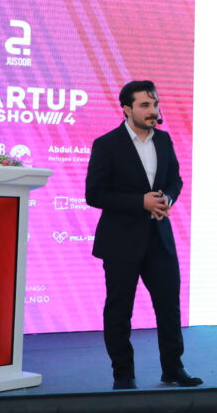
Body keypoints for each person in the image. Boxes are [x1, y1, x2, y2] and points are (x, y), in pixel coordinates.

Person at [85, 80, 202, 390]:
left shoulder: (164, 140)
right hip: (120, 241)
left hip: (159, 238)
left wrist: (168, 199)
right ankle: (123, 374)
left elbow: (175, 179)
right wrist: (141, 202)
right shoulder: (107, 144)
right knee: (119, 309)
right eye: (145, 105)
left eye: (155, 104)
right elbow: (94, 194)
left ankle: (173, 368)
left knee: (169, 306)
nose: (153, 111)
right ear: (127, 109)